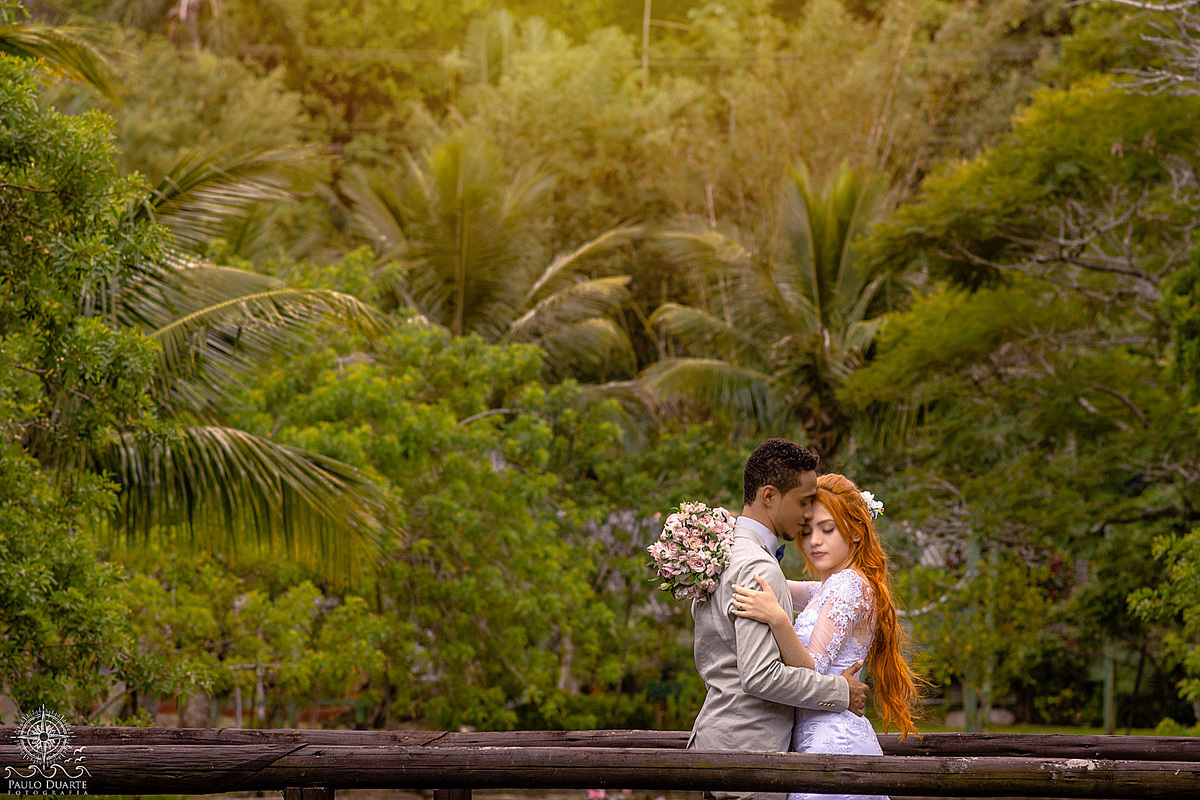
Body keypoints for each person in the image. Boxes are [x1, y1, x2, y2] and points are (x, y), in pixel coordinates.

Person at [689, 439, 869, 800]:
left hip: (718, 744)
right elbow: (760, 675)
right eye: (803, 502)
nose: (807, 515)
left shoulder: (723, 553)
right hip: (750, 759)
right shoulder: (758, 567)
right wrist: (840, 691)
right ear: (769, 496)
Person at [732, 473, 920, 800]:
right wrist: (727, 540)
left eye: (827, 529)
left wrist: (778, 619)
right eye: (806, 531)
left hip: (833, 745)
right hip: (816, 741)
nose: (814, 541)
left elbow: (814, 673)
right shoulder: (832, 587)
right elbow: (767, 579)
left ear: (856, 533)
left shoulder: (847, 585)